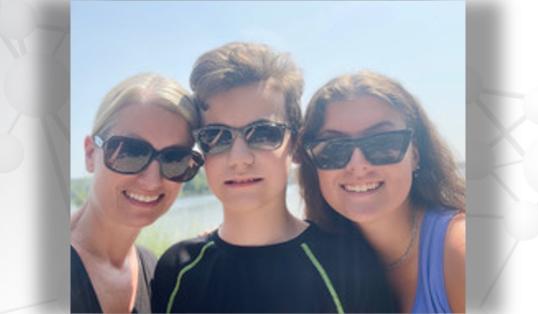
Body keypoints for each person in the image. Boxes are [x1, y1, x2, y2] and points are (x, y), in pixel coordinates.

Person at [151, 43, 398, 313]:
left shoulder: (349, 267)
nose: (239, 158)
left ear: (295, 144)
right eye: (217, 136)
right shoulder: (177, 271)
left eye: (263, 133)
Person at [297, 70, 466, 313]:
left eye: (382, 142)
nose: (358, 165)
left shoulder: (460, 251)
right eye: (333, 149)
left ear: (415, 155)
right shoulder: (323, 263)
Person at [70, 73, 204, 313]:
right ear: (91, 154)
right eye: (130, 152)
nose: (152, 181)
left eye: (174, 159)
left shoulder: (154, 272)